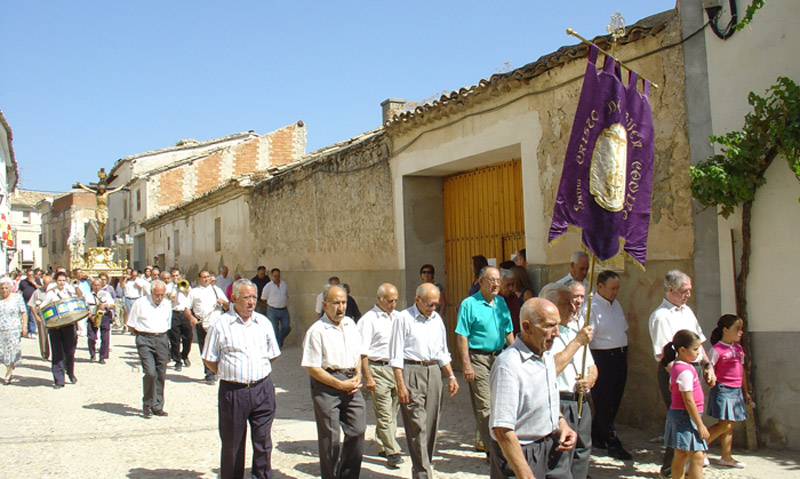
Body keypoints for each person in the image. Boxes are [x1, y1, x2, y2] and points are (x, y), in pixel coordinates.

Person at [489, 297, 577, 479]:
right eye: (549, 326)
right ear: (527, 327)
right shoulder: (509, 365)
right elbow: (502, 430)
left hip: (551, 447)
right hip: (522, 453)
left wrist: (562, 424)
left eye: (558, 325)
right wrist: (525, 475)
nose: (557, 333)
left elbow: (545, 401)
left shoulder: (545, 355)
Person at [202, 279, 281, 479]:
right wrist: (230, 372)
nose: (251, 302)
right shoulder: (220, 325)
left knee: (263, 442)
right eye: (246, 297)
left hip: (262, 389)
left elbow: (273, 353)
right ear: (234, 298)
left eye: (254, 297)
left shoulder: (263, 322)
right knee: (232, 444)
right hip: (233, 392)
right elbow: (209, 358)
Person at [648, 270, 716, 477]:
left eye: (689, 291)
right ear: (671, 289)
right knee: (681, 419)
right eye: (684, 291)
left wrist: (707, 365)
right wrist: (682, 376)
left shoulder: (687, 311)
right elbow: (664, 354)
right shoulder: (660, 316)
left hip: (693, 371)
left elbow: (698, 342)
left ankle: (688, 463)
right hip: (677, 374)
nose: (688, 295)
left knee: (693, 417)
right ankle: (670, 469)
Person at [390, 282, 459, 479]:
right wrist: (401, 383)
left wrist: (451, 376)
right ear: (417, 300)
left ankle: (424, 466)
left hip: (434, 371)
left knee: (431, 424)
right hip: (411, 370)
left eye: (436, 304)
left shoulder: (436, 319)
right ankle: (423, 473)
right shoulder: (403, 319)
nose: (433, 308)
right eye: (429, 304)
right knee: (416, 425)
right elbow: (395, 355)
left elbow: (442, 351)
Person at [301, 285, 365, 479]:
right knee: (331, 438)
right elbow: (312, 367)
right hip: (327, 384)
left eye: (343, 302)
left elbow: (358, 354)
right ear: (324, 305)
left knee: (358, 430)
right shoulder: (317, 331)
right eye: (335, 303)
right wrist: (339, 385)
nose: (341, 307)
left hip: (351, 381)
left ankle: (348, 475)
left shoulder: (350, 325)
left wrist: (359, 373)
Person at [456, 266, 514, 459]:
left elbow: (508, 331)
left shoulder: (501, 303)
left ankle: (483, 440)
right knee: (484, 405)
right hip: (478, 358)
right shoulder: (469, 304)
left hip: (499, 357)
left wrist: (515, 355)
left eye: (498, 280)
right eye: (491, 280)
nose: (496, 284)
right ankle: (493, 451)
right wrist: (466, 364)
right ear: (481, 282)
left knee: (499, 402)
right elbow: (462, 335)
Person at [540, 282, 597, 479]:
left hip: (580, 399)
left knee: (582, 451)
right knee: (560, 455)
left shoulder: (574, 330)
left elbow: (592, 366)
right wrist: (577, 342)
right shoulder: (547, 337)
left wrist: (589, 380)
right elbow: (551, 368)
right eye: (567, 303)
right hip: (560, 401)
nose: (573, 308)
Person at [358, 283, 404, 467]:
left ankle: (383, 443)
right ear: (379, 299)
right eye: (389, 301)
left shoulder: (399, 317)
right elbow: (362, 352)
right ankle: (393, 451)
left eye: (395, 300)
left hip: (396, 368)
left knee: (394, 409)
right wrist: (367, 376)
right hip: (377, 368)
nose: (392, 304)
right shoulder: (368, 320)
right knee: (384, 411)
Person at [588, 270, 631, 459]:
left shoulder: (616, 305)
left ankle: (597, 434)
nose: (615, 292)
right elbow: (588, 338)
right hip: (602, 357)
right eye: (612, 288)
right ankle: (612, 442)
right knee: (605, 402)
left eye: (617, 288)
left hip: (619, 355)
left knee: (615, 399)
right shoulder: (592, 307)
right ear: (600, 287)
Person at [661, 330, 708, 479]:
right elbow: (688, 400)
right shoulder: (684, 371)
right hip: (685, 417)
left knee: (680, 454)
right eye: (695, 349)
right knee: (697, 456)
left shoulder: (677, 367)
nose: (697, 353)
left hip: (680, 415)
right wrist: (700, 424)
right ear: (682, 350)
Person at [705, 315, 750, 469]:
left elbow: (741, 370)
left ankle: (726, 456)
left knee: (729, 425)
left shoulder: (738, 348)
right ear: (725, 330)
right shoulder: (716, 349)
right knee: (724, 425)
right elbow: (709, 369)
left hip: (736, 390)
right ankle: (699, 448)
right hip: (723, 389)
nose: (740, 332)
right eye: (737, 329)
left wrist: (745, 391)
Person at [126, 280, 172, 418]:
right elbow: (131, 324)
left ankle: (157, 405)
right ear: (151, 292)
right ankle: (147, 404)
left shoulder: (167, 304)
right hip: (145, 339)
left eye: (162, 295)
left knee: (161, 373)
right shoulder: (140, 303)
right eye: (157, 295)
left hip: (162, 339)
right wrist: (142, 336)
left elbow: (167, 323)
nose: (159, 298)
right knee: (150, 373)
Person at [185, 270, 230, 383]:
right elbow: (186, 308)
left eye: (208, 277)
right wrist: (191, 318)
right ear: (199, 279)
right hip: (202, 323)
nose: (206, 279)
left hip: (217, 323)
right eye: (204, 277)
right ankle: (209, 373)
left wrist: (223, 302)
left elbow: (227, 306)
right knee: (205, 348)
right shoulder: (194, 292)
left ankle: (218, 370)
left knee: (219, 347)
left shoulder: (216, 290)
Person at [43, 271, 79, 388]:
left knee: (69, 351)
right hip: (55, 325)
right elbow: (43, 306)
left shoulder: (69, 292)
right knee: (57, 351)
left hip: (68, 324)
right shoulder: (51, 293)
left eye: (63, 280)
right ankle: (59, 379)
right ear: (56, 281)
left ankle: (70, 372)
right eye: (59, 280)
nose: (62, 283)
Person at [0, 277, 27, 384]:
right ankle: (8, 368)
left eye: (6, 288)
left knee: (11, 352)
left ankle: (9, 372)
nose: (4, 290)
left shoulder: (17, 298)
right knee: (2, 352)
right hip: (1, 329)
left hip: (13, 329)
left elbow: (23, 312)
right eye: (2, 288)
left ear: (10, 288)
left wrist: (24, 326)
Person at [86, 279, 114, 364]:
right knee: (91, 337)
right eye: (95, 285)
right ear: (92, 286)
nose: (97, 287)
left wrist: (105, 305)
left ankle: (102, 357)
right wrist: (91, 316)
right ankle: (92, 354)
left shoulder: (106, 294)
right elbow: (85, 308)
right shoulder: (88, 295)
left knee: (105, 338)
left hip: (104, 316)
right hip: (92, 316)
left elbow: (113, 305)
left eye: (98, 285)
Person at [261, 268, 290, 347]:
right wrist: (270, 303)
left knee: (286, 327)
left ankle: (279, 341)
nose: (277, 278)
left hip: (283, 309)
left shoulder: (284, 284)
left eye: (278, 276)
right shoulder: (268, 286)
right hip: (272, 310)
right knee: (274, 329)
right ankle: (277, 345)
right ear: (271, 276)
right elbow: (263, 298)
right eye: (275, 276)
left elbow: (287, 295)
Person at [499, 268, 521, 336]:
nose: (511, 288)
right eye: (508, 285)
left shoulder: (513, 297)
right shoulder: (493, 299)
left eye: (512, 284)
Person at [17, 269, 38, 339]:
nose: (30, 277)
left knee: (32, 316)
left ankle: (32, 331)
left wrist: (34, 283)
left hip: (34, 301)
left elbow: (40, 289)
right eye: (29, 275)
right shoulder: (23, 282)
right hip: (25, 300)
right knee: (26, 315)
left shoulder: (37, 281)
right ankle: (27, 331)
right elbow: (20, 290)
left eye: (31, 275)